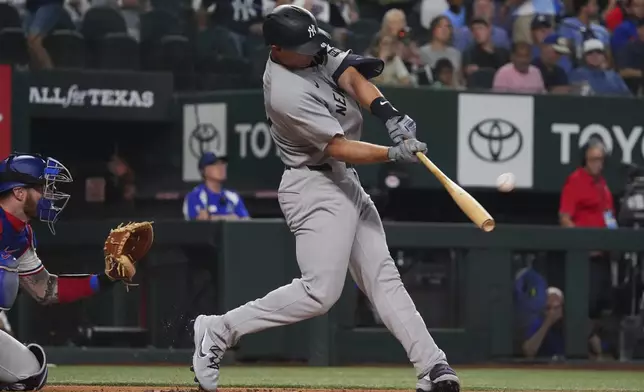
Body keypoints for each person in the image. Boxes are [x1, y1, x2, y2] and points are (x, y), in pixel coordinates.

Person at [190, 5, 460, 392]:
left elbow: (351, 75)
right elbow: (338, 147)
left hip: (343, 182)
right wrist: (390, 153)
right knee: (320, 293)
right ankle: (218, 330)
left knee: (384, 278)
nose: (313, 51)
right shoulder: (285, 93)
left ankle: (433, 367)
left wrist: (389, 114)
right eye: (302, 46)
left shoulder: (308, 49)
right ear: (277, 49)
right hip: (313, 184)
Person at [0, 153, 129, 390]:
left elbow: (46, 289)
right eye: (40, 187)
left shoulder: (21, 236)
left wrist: (106, 279)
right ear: (19, 192)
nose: (47, 195)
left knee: (31, 373)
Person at [183, 152, 250, 221]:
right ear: (203, 170)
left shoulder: (232, 196)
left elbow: (245, 222)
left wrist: (212, 217)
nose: (221, 167)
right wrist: (232, 217)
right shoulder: (195, 196)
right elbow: (198, 223)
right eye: (215, 164)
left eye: (223, 163)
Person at [24, 0, 66, 69]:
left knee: (34, 39)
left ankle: (51, 76)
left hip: (49, 4)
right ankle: (37, 76)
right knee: (30, 45)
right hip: (31, 7)